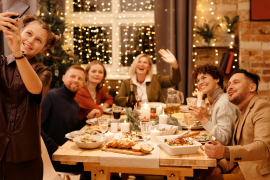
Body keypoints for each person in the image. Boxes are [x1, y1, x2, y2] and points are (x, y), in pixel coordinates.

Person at [0, 13, 60, 179]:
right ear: (20, 32)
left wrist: (18, 53)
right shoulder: (2, 64)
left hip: (25, 158)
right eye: (28, 33)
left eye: (39, 40)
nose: (31, 41)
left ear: (43, 49)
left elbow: (36, 90)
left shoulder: (44, 72)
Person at [203, 69, 270, 180]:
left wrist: (225, 151)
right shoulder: (243, 112)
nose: (229, 87)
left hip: (256, 175)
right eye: (229, 84)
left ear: (252, 87)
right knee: (202, 174)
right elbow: (239, 150)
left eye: (236, 82)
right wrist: (221, 166)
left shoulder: (262, 107)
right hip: (241, 169)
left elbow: (264, 147)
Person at [41, 65, 100, 179]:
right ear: (63, 78)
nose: (75, 81)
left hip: (67, 153)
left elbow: (73, 130)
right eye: (72, 76)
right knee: (95, 165)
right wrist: (55, 147)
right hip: (53, 157)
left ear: (83, 83)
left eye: (79, 78)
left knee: (98, 161)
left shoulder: (75, 104)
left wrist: (87, 118)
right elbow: (36, 127)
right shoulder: (51, 96)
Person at [188, 64, 240, 145]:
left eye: (204, 78)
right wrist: (206, 117)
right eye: (198, 81)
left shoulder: (224, 102)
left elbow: (224, 139)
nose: (200, 82)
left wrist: (203, 119)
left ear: (216, 79)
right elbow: (218, 128)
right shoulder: (218, 99)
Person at [115, 49, 181, 106]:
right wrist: (130, 99)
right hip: (134, 114)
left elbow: (175, 80)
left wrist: (174, 64)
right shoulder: (127, 83)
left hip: (155, 114)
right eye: (139, 62)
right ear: (135, 65)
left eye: (145, 62)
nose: (141, 64)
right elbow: (118, 99)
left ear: (149, 67)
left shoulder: (157, 79)